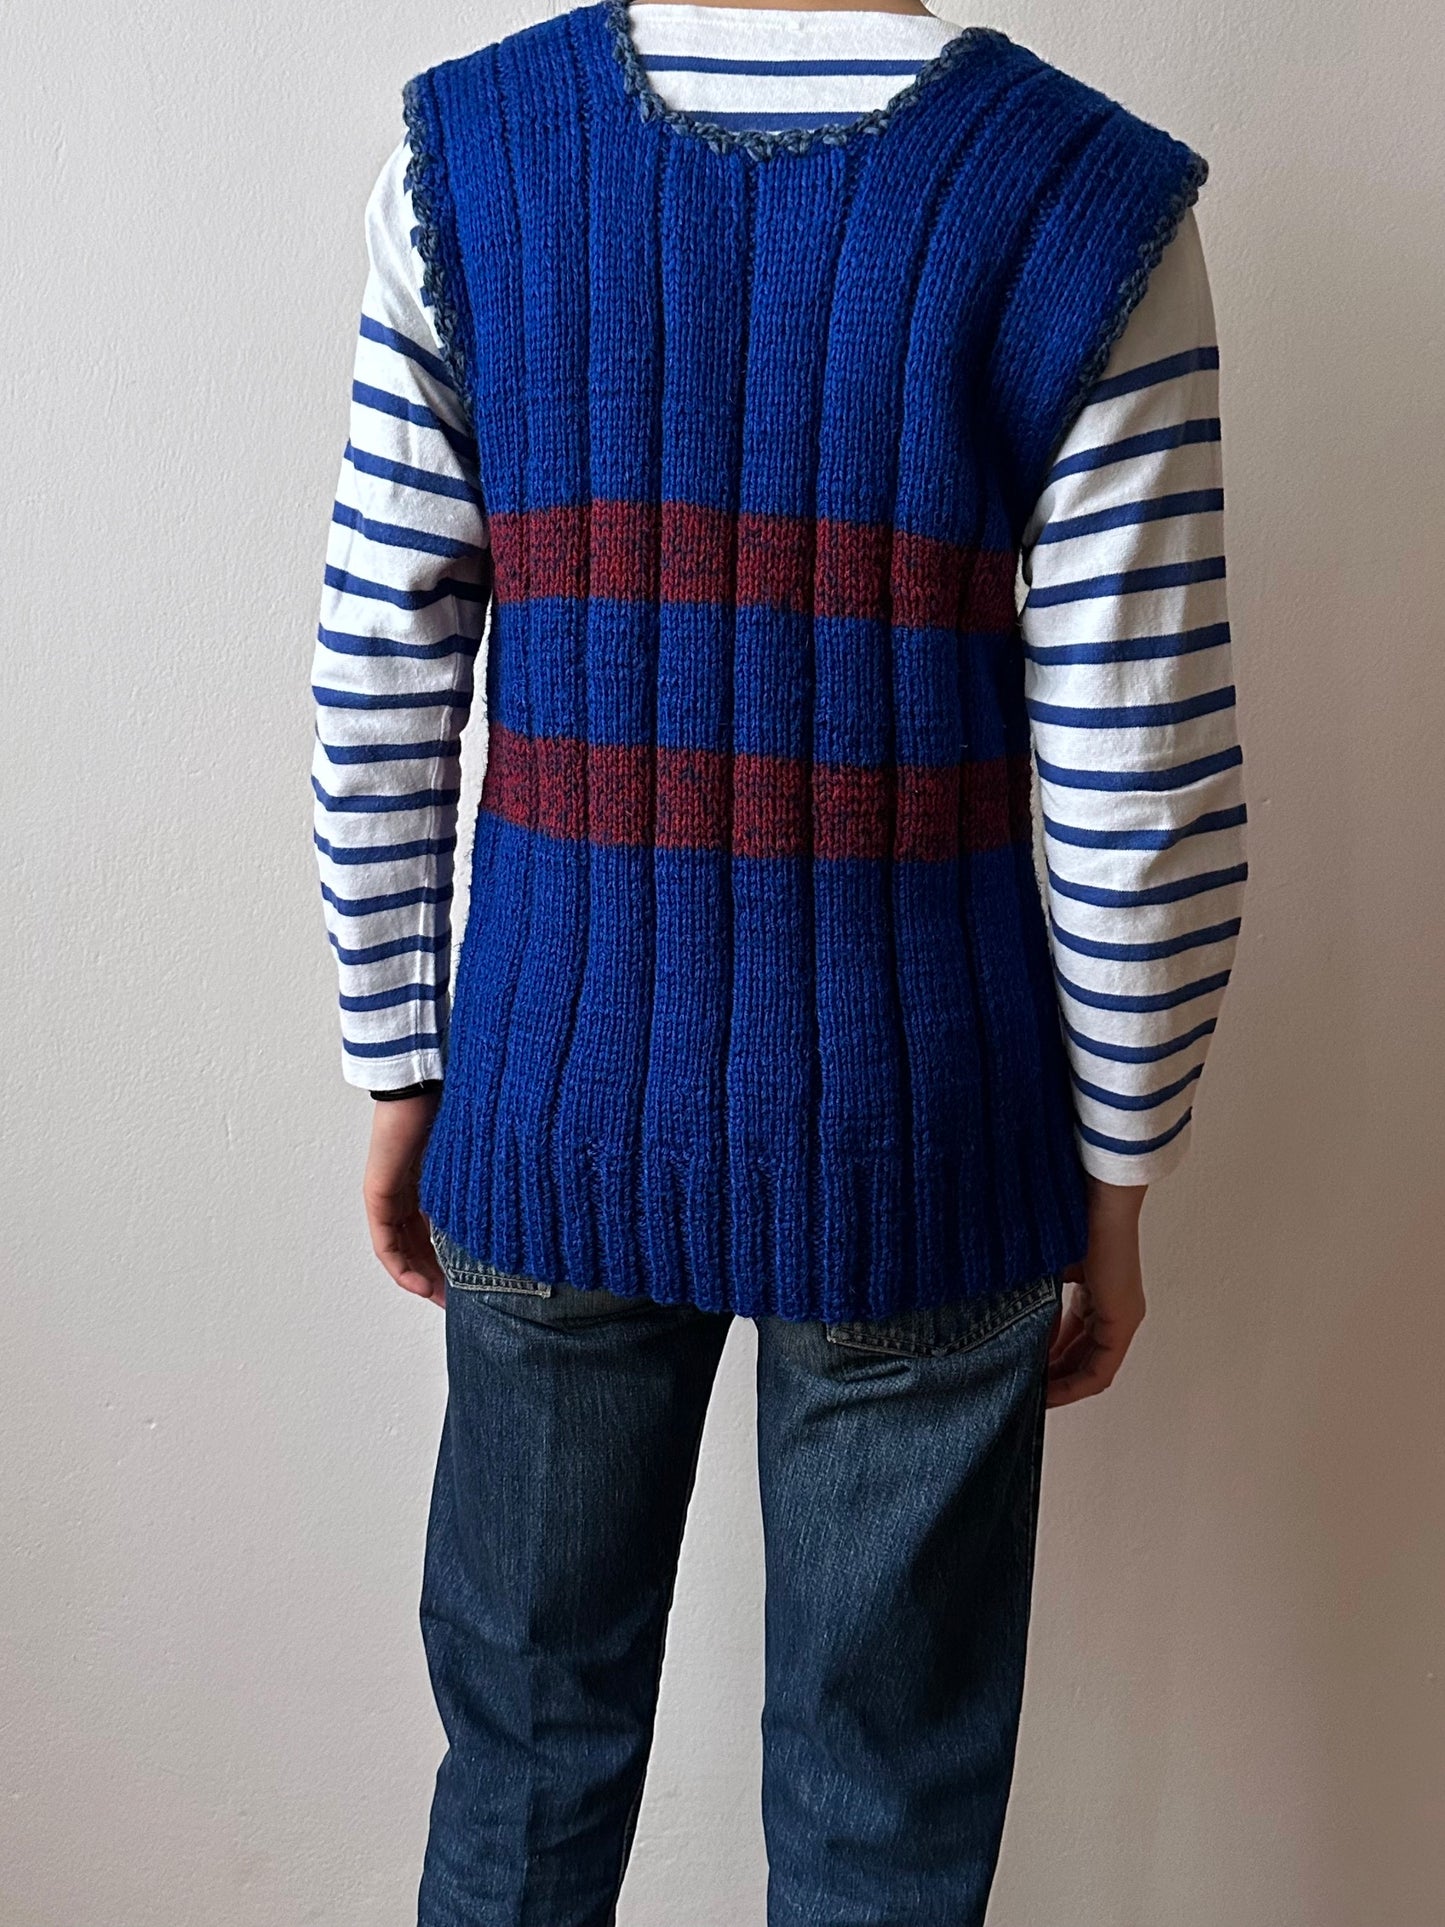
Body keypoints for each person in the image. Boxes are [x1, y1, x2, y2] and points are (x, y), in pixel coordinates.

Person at [310, 2, 1246, 1919]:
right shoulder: (1087, 201)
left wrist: (399, 1056)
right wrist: (1118, 1173)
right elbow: (1137, 772)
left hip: (551, 1098)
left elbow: (381, 665)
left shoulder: (469, 161)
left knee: (523, 1771)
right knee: (880, 1825)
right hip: (932, 1138)